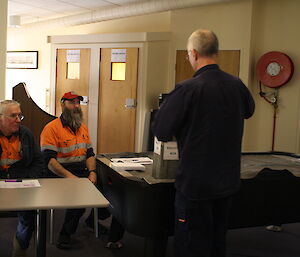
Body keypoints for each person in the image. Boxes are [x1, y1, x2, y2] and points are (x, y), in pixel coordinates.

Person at [152, 29, 255, 257]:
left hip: (195, 185)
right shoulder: (237, 85)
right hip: (227, 182)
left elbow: (161, 131)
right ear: (215, 52)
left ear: (194, 53)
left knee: (191, 244)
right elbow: (249, 111)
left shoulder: (187, 89)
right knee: (217, 242)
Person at [40, 91, 98, 249]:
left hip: (81, 170)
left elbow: (90, 154)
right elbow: (49, 161)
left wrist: (92, 172)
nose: (76, 106)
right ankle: (65, 233)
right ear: (62, 104)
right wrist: (71, 178)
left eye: (78, 103)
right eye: (72, 103)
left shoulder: (83, 128)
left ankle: (92, 221)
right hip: (58, 173)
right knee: (79, 194)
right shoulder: (51, 128)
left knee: (109, 186)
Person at [0, 100, 45, 257]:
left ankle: (20, 249)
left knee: (29, 217)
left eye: (20, 115)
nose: (18, 120)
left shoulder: (26, 134)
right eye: (13, 116)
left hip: (22, 184)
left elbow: (39, 161)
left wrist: (29, 180)